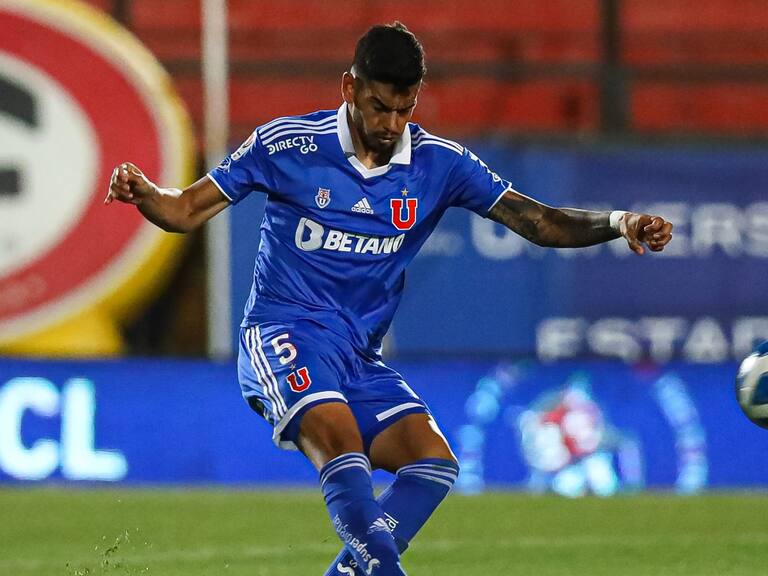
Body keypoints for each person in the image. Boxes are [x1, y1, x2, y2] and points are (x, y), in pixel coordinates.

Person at [106, 22, 673, 576]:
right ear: (349, 87)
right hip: (284, 332)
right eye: (380, 107)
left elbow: (539, 222)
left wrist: (620, 222)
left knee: (433, 462)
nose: (392, 123)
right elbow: (183, 210)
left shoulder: (437, 163)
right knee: (343, 446)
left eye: (405, 109)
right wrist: (146, 194)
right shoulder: (287, 146)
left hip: (358, 355)